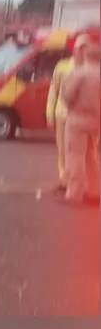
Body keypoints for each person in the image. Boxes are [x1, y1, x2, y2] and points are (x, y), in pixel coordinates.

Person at [60, 36, 101, 207]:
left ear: (86, 56)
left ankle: (74, 194)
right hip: (96, 121)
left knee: (75, 155)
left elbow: (67, 96)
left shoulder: (80, 73)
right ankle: (94, 192)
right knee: (91, 156)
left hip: (77, 118)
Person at [47, 45, 81, 193]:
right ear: (75, 51)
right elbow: (53, 91)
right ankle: (64, 179)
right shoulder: (62, 66)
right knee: (62, 149)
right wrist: (49, 113)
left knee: (76, 152)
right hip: (61, 114)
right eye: (80, 49)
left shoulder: (90, 69)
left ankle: (72, 182)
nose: (81, 53)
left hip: (78, 117)